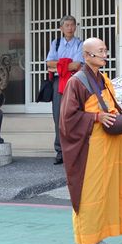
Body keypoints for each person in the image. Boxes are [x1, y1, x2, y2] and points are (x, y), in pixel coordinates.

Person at [59, 37, 122, 244]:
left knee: (106, 191)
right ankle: (85, 242)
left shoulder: (104, 79)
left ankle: (99, 237)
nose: (105, 54)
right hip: (89, 148)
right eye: (100, 51)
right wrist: (96, 117)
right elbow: (67, 119)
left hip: (107, 147)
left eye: (105, 50)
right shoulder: (76, 82)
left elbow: (111, 106)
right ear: (87, 56)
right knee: (90, 193)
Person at [46, 15, 83, 165]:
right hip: (58, 83)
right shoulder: (56, 43)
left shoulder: (80, 44)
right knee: (58, 116)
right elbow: (49, 63)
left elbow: (77, 65)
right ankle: (60, 151)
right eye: (66, 25)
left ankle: (74, 150)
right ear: (61, 28)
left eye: (72, 25)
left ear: (75, 27)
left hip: (75, 81)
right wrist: (66, 64)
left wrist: (59, 65)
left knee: (74, 114)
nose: (69, 28)